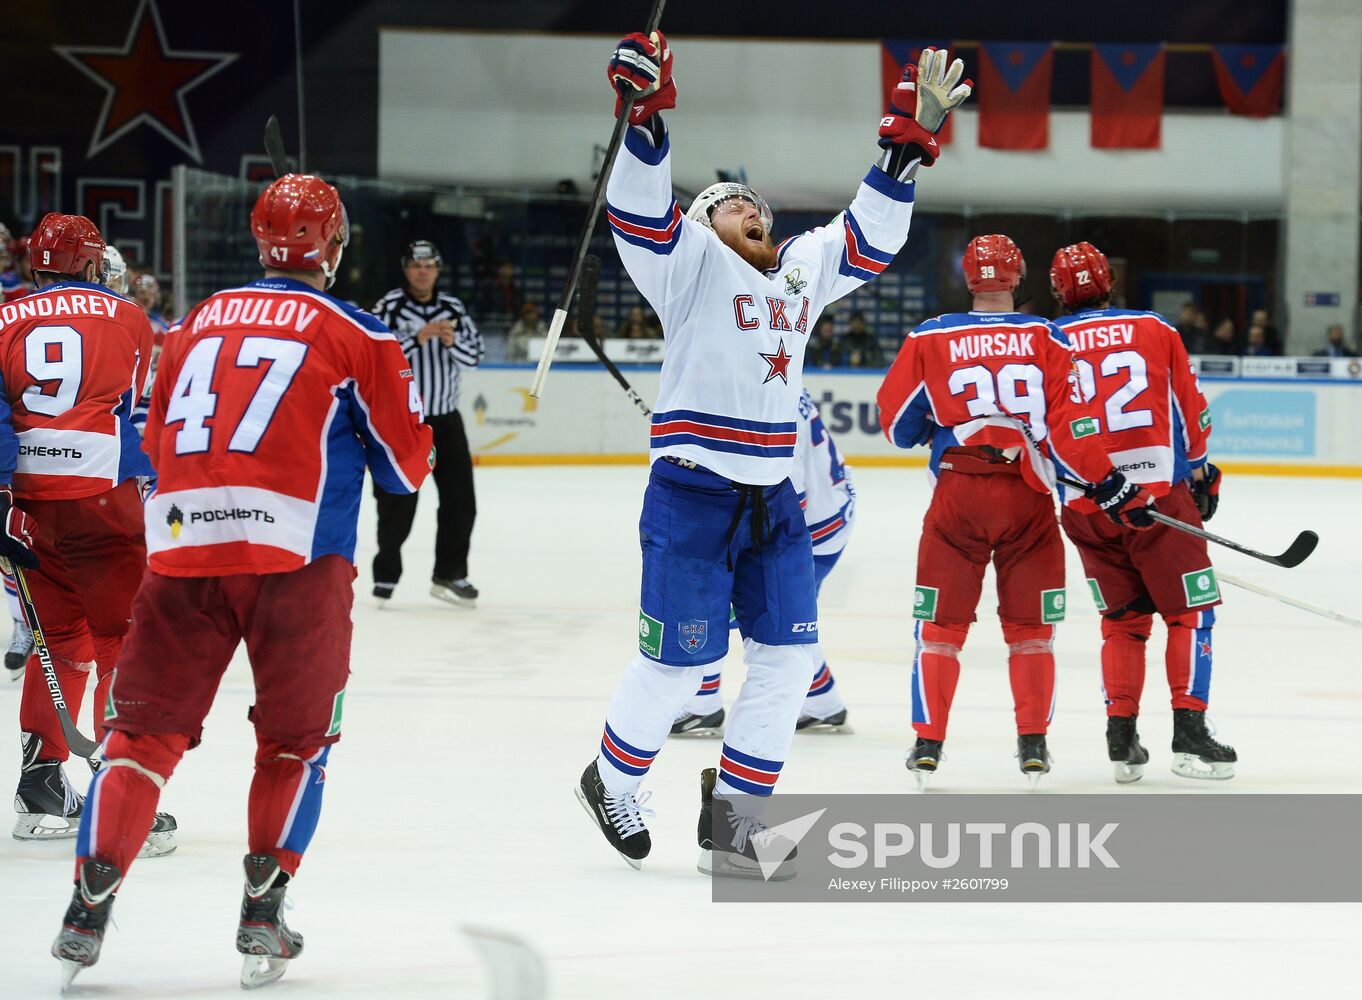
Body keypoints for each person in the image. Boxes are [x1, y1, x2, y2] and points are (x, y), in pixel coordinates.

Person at [574, 32, 969, 876]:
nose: (751, 210)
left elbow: (867, 236)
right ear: (702, 224)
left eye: (757, 204)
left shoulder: (799, 272)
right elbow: (640, 209)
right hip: (692, 494)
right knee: (680, 669)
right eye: (730, 203)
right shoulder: (685, 265)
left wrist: (905, 148)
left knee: (787, 663)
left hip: (774, 501)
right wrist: (643, 115)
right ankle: (611, 777)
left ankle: (740, 822)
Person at [48, 174, 434, 990]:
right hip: (301, 564)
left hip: (183, 553)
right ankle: (263, 908)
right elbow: (404, 473)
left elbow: (151, 445)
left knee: (141, 738)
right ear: (333, 247)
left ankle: (88, 902)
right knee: (297, 744)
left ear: (260, 243)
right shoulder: (359, 334)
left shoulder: (186, 328)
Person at [876, 234, 1154, 790]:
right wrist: (1109, 483)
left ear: (967, 278)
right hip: (1026, 498)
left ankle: (928, 743)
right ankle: (1033, 744)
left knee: (939, 629)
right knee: (1031, 631)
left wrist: (941, 425)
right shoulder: (1047, 337)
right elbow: (1073, 436)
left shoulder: (930, 336)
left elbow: (895, 426)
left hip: (957, 497)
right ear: (1019, 277)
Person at [0, 214, 176, 857]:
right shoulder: (129, 317)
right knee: (122, 640)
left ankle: (41, 786)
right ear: (90, 262)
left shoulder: (4, 317)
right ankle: (115, 789)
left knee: (61, 640)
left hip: (24, 506)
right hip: (102, 501)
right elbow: (130, 412)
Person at [1049, 242, 1235, 783]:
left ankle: (1121, 738)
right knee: (1191, 614)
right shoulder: (1156, 328)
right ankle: (1190, 736)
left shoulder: (1047, 341)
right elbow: (1191, 410)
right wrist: (1200, 472)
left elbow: (1046, 431)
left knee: (1123, 622)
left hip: (1087, 507)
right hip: (1157, 498)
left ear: (1059, 292)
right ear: (1111, 281)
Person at [670, 388, 856, 737]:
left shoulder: (761, 403)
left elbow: (787, 492)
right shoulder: (770, 386)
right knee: (786, 618)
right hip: (831, 510)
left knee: (737, 602)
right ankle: (823, 700)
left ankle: (702, 702)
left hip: (812, 525)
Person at [370, 240, 484, 607]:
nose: (423, 271)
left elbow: (475, 356)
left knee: (460, 501)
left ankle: (450, 574)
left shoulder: (452, 307)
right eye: (416, 265)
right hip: (403, 423)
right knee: (397, 502)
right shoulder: (389, 306)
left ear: (437, 270)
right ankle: (386, 575)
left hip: (446, 421)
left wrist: (451, 342)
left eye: (430, 265)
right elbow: (374, 357)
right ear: (406, 269)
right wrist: (416, 340)